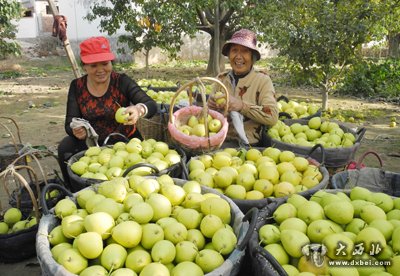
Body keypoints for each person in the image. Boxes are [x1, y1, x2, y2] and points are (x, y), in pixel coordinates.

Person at [57, 36, 157, 189]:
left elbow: (151, 105)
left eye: (105, 64)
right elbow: (70, 121)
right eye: (93, 66)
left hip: (124, 140)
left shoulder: (121, 81)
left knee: (134, 174)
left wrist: (138, 109)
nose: (100, 70)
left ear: (111, 63)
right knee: (65, 147)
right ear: (84, 66)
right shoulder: (77, 86)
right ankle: (73, 190)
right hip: (92, 144)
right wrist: (76, 130)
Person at [208, 28, 279, 147]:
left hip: (250, 144)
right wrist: (211, 107)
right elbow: (210, 116)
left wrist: (242, 106)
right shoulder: (221, 79)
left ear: (252, 57)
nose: (238, 57)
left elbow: (272, 116)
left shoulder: (262, 80)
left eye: (245, 51)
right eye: (234, 50)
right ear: (229, 54)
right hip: (220, 140)